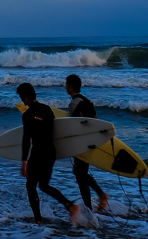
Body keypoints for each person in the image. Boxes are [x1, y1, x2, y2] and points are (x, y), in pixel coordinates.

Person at [16, 82, 80, 225]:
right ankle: (70, 206)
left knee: (31, 186)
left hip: (38, 152)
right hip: (51, 151)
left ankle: (38, 220)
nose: (21, 100)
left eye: (21, 97)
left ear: (26, 97)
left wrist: (24, 161)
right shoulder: (47, 109)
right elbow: (55, 132)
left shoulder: (27, 115)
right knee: (44, 185)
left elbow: (26, 139)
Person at [65, 74, 110, 212]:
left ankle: (91, 207)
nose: (65, 87)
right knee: (80, 172)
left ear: (71, 86)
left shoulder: (74, 104)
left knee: (80, 174)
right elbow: (95, 120)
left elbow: (72, 126)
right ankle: (98, 198)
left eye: (66, 84)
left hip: (81, 143)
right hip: (90, 141)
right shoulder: (88, 101)